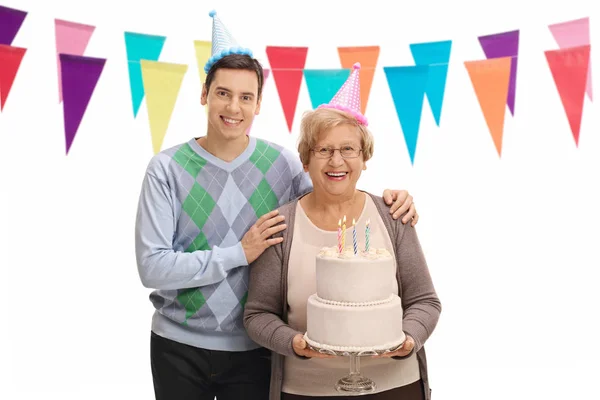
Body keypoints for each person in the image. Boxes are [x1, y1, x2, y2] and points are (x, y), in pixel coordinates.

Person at [135, 12, 420, 400]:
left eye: (245, 97)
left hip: (258, 350)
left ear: (258, 104)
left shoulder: (282, 164)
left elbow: (331, 199)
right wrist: (239, 252)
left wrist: (390, 201)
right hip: (177, 346)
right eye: (223, 93)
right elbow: (152, 267)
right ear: (204, 95)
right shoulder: (165, 169)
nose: (233, 107)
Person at [243, 63, 441, 400]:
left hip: (395, 386)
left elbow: (425, 301)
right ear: (305, 161)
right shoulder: (282, 226)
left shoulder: (393, 216)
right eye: (323, 150)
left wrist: (407, 341)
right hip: (308, 390)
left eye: (348, 149)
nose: (337, 161)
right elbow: (257, 315)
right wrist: (295, 343)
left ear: (364, 158)